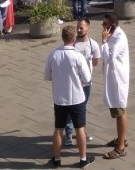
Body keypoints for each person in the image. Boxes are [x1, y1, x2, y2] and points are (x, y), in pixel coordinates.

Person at [44, 24, 95, 169]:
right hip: (77, 98)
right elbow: (87, 79)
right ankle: (83, 159)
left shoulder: (53, 54)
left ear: (62, 37)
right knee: (80, 128)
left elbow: (47, 76)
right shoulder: (78, 56)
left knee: (58, 129)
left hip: (59, 99)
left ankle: (57, 159)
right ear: (73, 38)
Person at [64, 18, 101, 147]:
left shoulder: (93, 44)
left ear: (88, 28)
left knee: (83, 108)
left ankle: (81, 132)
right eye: (77, 27)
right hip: (73, 83)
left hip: (86, 84)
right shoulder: (73, 44)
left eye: (81, 27)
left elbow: (96, 61)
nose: (79, 30)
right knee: (69, 109)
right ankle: (68, 134)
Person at [101, 12, 129, 160]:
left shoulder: (119, 37)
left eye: (105, 24)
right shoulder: (114, 35)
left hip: (117, 79)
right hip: (113, 78)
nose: (103, 27)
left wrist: (104, 42)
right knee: (119, 109)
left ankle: (120, 147)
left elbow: (109, 57)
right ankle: (121, 138)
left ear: (112, 25)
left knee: (120, 111)